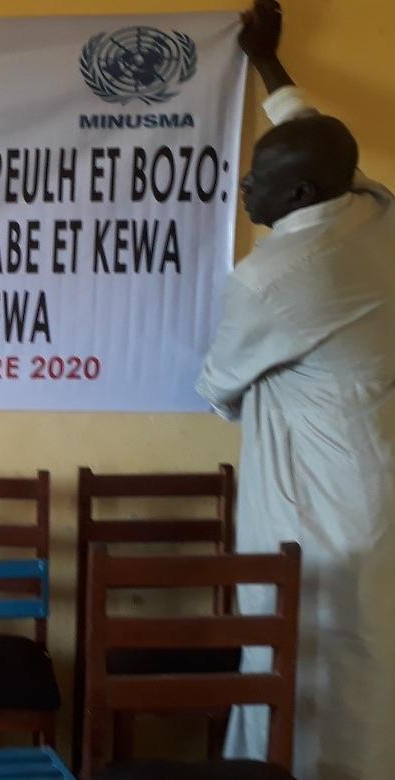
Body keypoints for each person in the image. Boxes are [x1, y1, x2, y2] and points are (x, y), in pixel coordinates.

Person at [195, 2, 395, 778]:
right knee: (366, 657)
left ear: (304, 192)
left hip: (317, 503)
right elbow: (311, 130)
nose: (245, 187)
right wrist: (267, 61)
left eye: (263, 182)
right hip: (370, 478)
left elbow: (218, 384)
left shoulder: (277, 279)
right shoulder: (373, 209)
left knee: (306, 656)